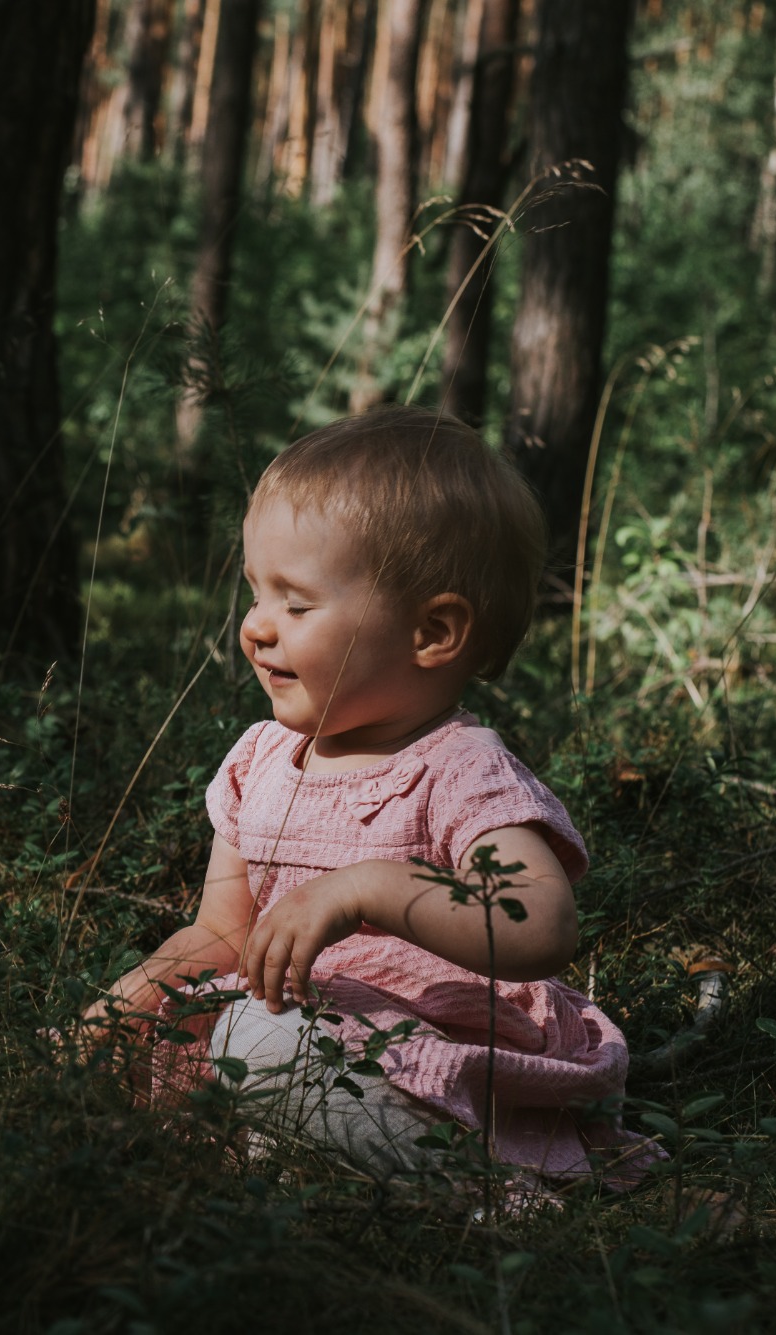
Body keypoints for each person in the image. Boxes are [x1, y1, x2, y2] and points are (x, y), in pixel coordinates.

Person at [79, 405, 654, 1194]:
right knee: (210, 1042)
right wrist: (121, 1007)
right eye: (255, 593)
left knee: (259, 1046)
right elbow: (220, 929)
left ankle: (489, 1182)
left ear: (433, 631)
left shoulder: (456, 770)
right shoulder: (262, 760)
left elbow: (541, 921)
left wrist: (371, 889)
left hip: (431, 1047)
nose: (256, 628)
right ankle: (311, 1169)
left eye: (297, 603)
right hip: (307, 1025)